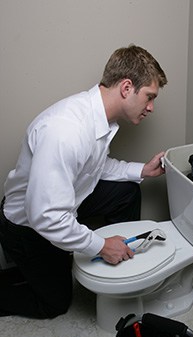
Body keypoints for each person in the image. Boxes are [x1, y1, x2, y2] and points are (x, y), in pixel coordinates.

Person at [0, 44, 168, 319]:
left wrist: (142, 172)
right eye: (149, 97)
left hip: (67, 201)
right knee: (55, 303)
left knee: (127, 191)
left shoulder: (100, 119)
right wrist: (100, 245)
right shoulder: (66, 131)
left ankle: (123, 261)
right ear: (127, 88)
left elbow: (95, 167)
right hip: (27, 225)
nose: (151, 107)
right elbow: (46, 217)